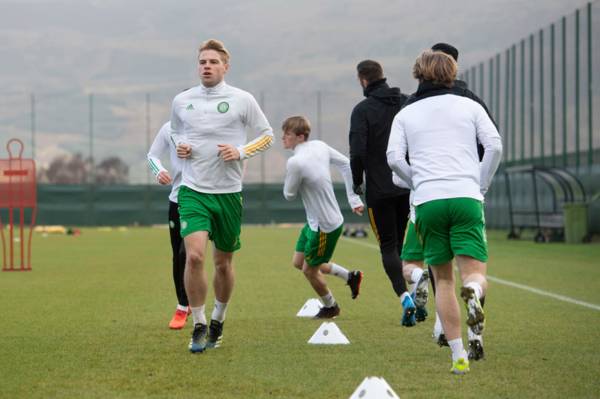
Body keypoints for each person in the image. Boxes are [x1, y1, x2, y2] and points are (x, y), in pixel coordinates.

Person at [386, 50, 502, 374]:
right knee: (474, 272)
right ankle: (476, 292)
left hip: (428, 200)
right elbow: (495, 145)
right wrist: (480, 182)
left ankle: (458, 356)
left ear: (418, 74)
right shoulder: (470, 105)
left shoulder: (406, 113)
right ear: (452, 72)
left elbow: (394, 159)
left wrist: (418, 180)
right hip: (465, 195)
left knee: (444, 281)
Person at [170, 39, 274, 353]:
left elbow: (267, 136)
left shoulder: (242, 99)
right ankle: (199, 324)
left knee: (223, 264)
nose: (207, 66)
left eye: (213, 62)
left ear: (225, 67)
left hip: (228, 194)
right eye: (202, 61)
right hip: (192, 191)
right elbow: (175, 131)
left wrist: (241, 151)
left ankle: (218, 318)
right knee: (195, 256)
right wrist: (180, 145)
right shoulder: (182, 100)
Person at [349, 59, 423, 327]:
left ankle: (405, 296)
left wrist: (357, 182)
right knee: (407, 245)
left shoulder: (362, 110)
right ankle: (416, 283)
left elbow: (357, 152)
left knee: (388, 246)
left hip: (379, 191)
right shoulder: (407, 102)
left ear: (363, 80)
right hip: (408, 185)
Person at [283, 116, 364, 318]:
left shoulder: (295, 162)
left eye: (288, 134)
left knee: (309, 271)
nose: (283, 137)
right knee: (298, 262)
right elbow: (346, 164)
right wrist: (353, 198)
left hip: (325, 226)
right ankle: (350, 276)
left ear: (300, 137)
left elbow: (289, 195)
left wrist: (294, 178)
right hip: (314, 221)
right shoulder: (319, 146)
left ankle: (331, 306)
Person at [147, 121, 189, 329]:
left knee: (216, 256)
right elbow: (152, 155)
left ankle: (217, 310)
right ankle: (183, 305)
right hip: (178, 199)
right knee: (180, 255)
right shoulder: (168, 128)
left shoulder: (210, 124)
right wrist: (159, 171)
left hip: (211, 196)